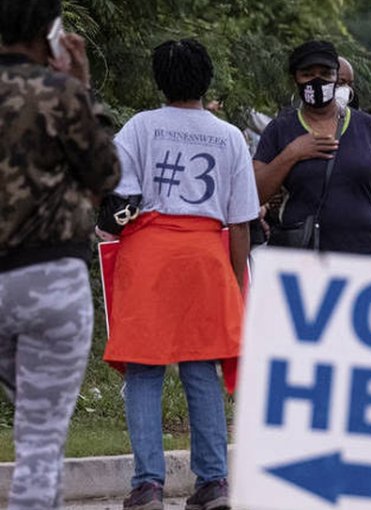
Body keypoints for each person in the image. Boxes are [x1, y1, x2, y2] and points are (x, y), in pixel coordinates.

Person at [101, 39, 259, 510]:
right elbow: (241, 221)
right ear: (206, 78)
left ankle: (147, 485)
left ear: (159, 80)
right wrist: (233, 283)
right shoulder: (229, 135)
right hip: (206, 256)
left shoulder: (139, 127)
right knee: (201, 369)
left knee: (145, 371)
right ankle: (213, 482)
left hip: (149, 254)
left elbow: (116, 199)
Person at [0, 2, 121, 507]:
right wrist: (82, 86)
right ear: (48, 31)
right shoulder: (61, 94)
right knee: (39, 438)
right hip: (51, 277)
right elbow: (106, 174)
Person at [254, 40, 371, 254]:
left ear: (336, 78)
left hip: (362, 255)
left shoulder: (367, 126)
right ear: (295, 78)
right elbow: (255, 195)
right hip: (301, 258)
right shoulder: (280, 129)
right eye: (307, 74)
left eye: (325, 73)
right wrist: (293, 153)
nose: (317, 80)